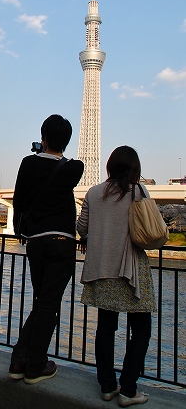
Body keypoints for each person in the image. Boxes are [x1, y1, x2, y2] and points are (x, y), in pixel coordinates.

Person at [77, 146, 156, 407]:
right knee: (141, 329)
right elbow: (148, 227)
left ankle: (107, 386)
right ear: (134, 168)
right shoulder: (138, 191)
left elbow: (82, 228)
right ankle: (129, 388)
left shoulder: (93, 192)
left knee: (106, 327)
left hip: (101, 268)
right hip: (130, 268)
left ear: (110, 166)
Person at [9, 114, 84, 384]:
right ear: (66, 140)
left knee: (41, 302)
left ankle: (19, 360)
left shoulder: (27, 163)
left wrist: (21, 229)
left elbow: (18, 199)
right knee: (49, 304)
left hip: (36, 241)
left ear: (43, 137)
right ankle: (35, 365)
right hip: (62, 242)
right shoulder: (73, 168)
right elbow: (72, 165)